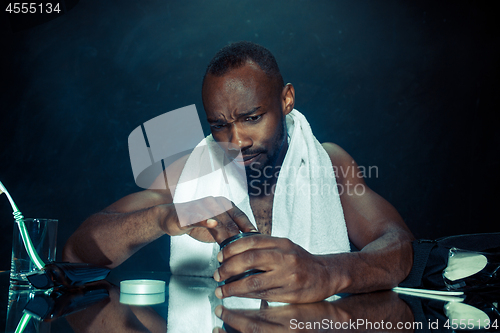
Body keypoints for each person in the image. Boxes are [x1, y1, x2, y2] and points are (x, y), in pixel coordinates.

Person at [63, 41, 415, 303]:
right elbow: (78, 255)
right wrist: (161, 218)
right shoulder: (190, 173)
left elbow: (398, 245)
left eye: (252, 118)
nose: (236, 140)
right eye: (219, 125)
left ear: (286, 99)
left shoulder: (329, 163)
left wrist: (328, 272)